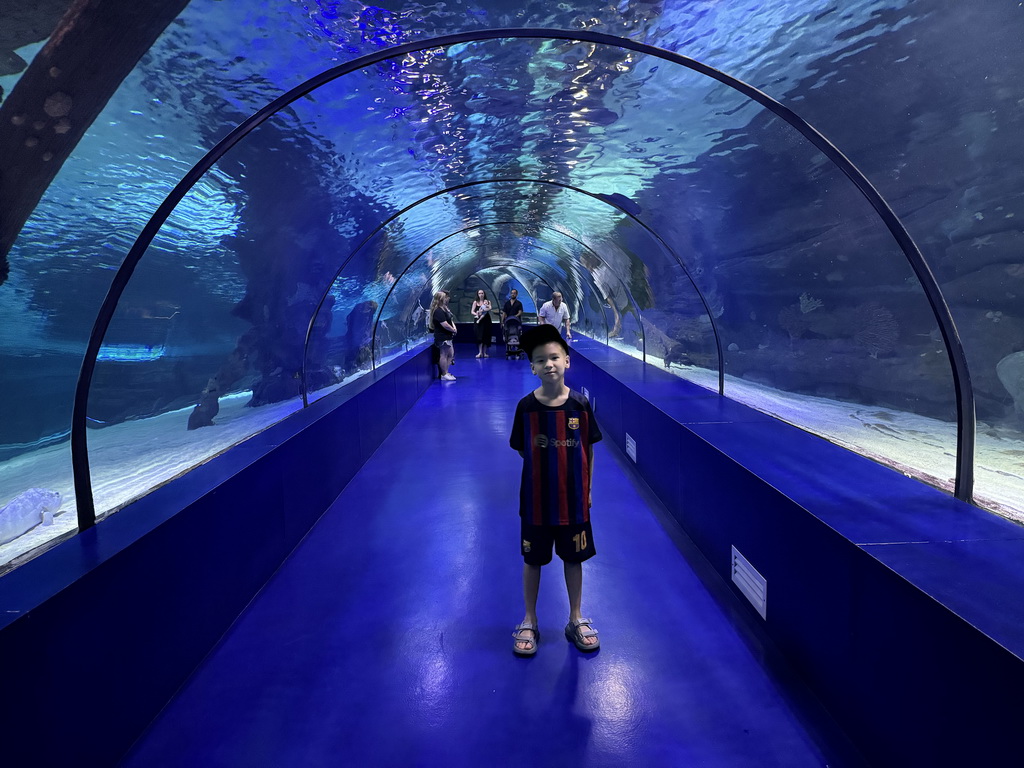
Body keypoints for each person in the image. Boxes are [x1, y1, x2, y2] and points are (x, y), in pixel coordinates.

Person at [509, 324, 602, 656]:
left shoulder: (580, 406)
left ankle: (575, 617)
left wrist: (586, 489)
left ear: (567, 361)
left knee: (573, 559)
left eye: (554, 357)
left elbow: (587, 449)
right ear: (532, 367)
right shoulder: (526, 408)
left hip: (573, 502)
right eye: (540, 360)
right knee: (532, 560)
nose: (549, 364)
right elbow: (523, 449)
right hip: (535, 502)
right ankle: (529, 618)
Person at [427, 290, 457, 381]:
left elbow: (450, 320)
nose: (446, 299)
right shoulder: (438, 311)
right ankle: (444, 373)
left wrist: (454, 329)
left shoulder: (445, 309)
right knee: (443, 354)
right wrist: (453, 329)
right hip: (442, 336)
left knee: (450, 354)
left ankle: (446, 371)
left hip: (448, 336)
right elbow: (445, 324)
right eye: (444, 297)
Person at [471, 289, 493, 358]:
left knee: (486, 335)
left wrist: (483, 310)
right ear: (477, 294)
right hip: (478, 320)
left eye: (482, 293)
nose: (481, 295)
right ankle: (480, 352)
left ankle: (485, 352)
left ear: (484, 294)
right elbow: (472, 311)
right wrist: (477, 314)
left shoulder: (488, 302)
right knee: (479, 336)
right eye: (479, 293)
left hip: (486, 320)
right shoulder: (475, 302)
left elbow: (490, 308)